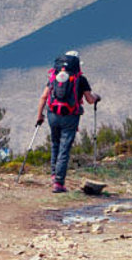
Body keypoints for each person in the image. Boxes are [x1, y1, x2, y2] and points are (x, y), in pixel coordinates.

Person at [34, 49, 100, 193]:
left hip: (53, 114)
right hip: (70, 117)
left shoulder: (54, 76)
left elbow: (44, 97)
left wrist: (40, 116)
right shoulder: (80, 79)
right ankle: (58, 183)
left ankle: (53, 175)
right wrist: (96, 97)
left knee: (55, 144)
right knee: (64, 149)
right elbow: (89, 100)